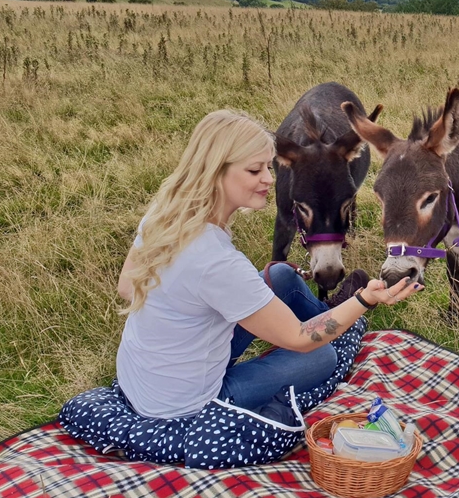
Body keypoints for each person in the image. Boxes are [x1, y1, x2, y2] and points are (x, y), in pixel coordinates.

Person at [116, 109, 419, 420]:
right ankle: (342, 317)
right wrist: (364, 299)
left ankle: (331, 315)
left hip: (140, 380)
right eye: (254, 170)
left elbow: (127, 286)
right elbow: (301, 340)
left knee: (281, 277)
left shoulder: (165, 214)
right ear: (216, 172)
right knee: (321, 356)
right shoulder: (217, 262)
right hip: (185, 404)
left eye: (268, 166)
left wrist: (192, 317)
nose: (269, 179)